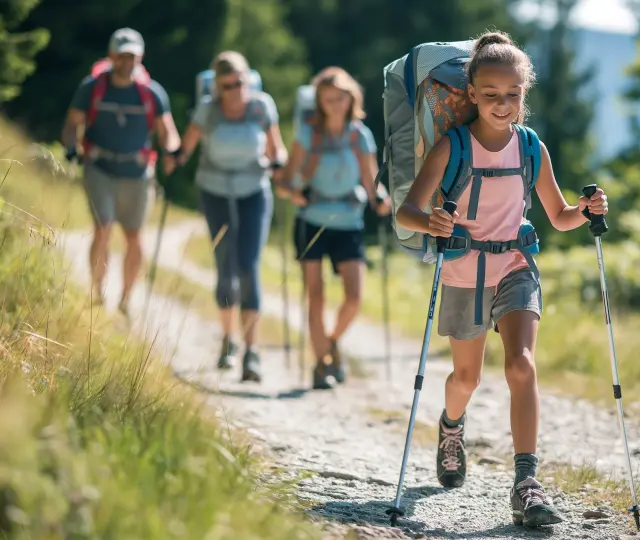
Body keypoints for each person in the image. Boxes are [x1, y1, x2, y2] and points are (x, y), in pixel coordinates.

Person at [395, 31, 609, 528]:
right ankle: (451, 428)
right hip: (465, 269)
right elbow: (406, 211)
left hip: (515, 264)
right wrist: (432, 223)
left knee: (521, 365)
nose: (502, 103)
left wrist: (588, 210)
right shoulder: (452, 147)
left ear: (523, 94)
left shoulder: (532, 147)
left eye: (512, 94)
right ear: (471, 93)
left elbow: (558, 216)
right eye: (490, 94)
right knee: (466, 377)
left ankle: (526, 483)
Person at [275, 67, 391, 390]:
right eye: (328, 100)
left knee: (354, 298)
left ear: (350, 98)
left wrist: (380, 199)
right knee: (316, 296)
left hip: (349, 223)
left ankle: (330, 343)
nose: (335, 105)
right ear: (319, 102)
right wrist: (295, 193)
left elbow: (371, 182)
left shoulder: (359, 136)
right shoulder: (307, 134)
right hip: (311, 221)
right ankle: (320, 365)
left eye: (340, 98)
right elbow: (284, 181)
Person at [176, 51, 287, 383]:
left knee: (248, 266)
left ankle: (251, 353)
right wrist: (172, 158)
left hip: (254, 191)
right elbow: (186, 148)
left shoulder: (261, 106)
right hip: (215, 192)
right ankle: (228, 340)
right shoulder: (208, 111)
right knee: (225, 265)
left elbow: (276, 148)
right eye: (228, 85)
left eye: (241, 82)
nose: (237, 89)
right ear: (218, 88)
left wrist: (279, 162)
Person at [62, 27, 181, 316]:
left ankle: (126, 299)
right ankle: (97, 291)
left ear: (139, 58)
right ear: (112, 55)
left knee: (134, 237)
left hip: (138, 174)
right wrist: (70, 148)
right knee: (102, 229)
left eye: (133, 57)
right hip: (99, 168)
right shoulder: (92, 87)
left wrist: (172, 151)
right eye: (122, 56)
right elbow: (71, 124)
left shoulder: (152, 93)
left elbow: (168, 132)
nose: (127, 62)